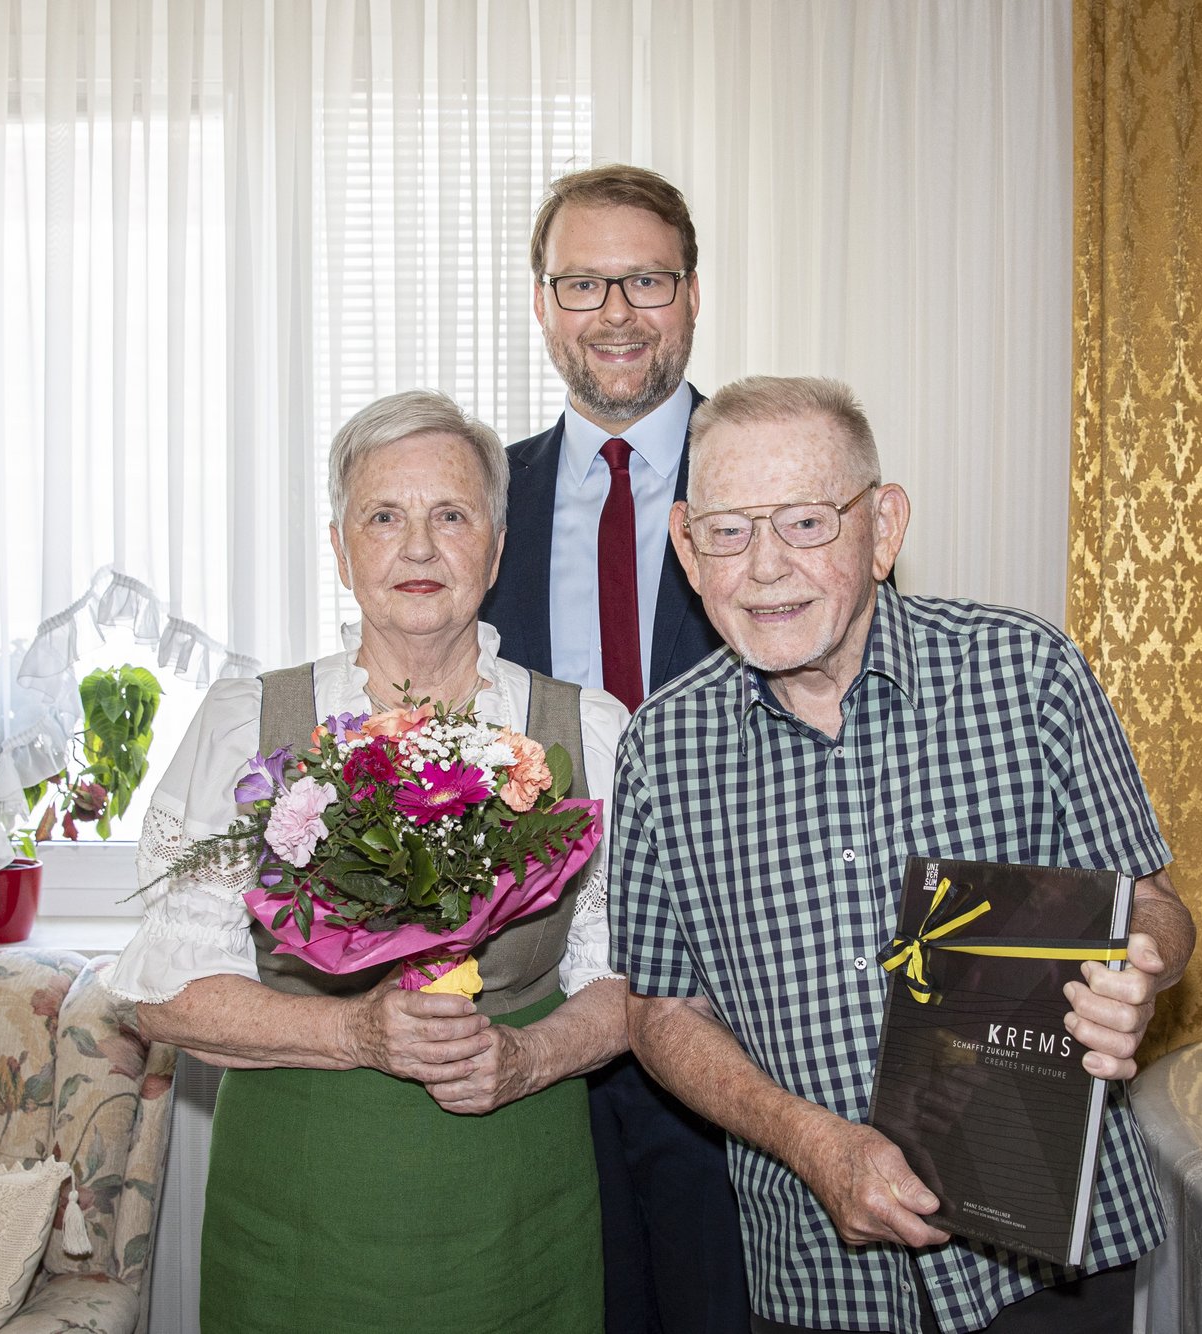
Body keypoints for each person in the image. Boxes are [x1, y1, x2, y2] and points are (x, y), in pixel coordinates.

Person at [612, 376, 1198, 1334]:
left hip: (1046, 1257)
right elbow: (661, 1012)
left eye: (805, 523)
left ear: (883, 529)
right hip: (816, 1277)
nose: (765, 568)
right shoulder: (659, 751)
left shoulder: (1028, 673)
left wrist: (1141, 969)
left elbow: (1153, 904)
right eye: (727, 530)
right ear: (686, 545)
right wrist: (813, 1143)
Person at [107, 390, 631, 1333]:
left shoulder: (587, 732)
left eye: (452, 516)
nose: (419, 548)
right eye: (384, 517)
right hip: (300, 1211)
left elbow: (626, 983)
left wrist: (527, 1057)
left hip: (518, 1207)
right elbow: (165, 994)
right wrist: (355, 1036)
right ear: (342, 550)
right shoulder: (245, 726)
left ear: (497, 548)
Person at [481, 163, 750, 1334]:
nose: (614, 312)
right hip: (541, 1007)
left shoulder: (779, 481)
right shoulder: (483, 499)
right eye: (581, 282)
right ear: (539, 304)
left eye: (643, 278)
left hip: (744, 1010)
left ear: (691, 295)